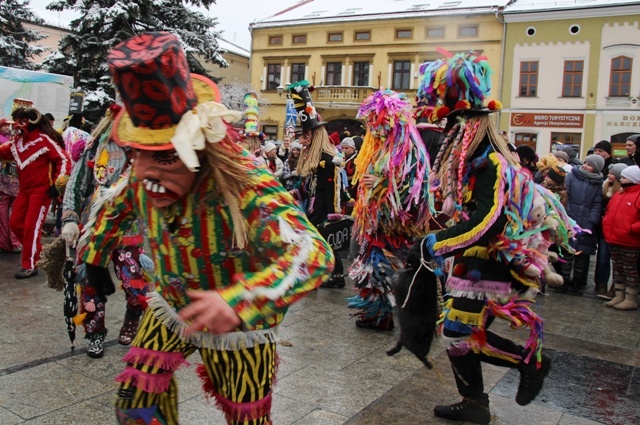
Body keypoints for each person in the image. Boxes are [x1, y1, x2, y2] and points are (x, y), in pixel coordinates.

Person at [78, 32, 334, 425]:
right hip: (172, 306)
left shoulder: (245, 184)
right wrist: (93, 260)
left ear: (199, 145)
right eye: (138, 155)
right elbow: (111, 204)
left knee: (246, 418)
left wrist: (239, 301)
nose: (145, 173)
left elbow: (312, 254)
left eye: (165, 157)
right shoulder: (143, 177)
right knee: (136, 405)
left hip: (240, 324)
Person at [419, 50, 573, 424]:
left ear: (466, 122)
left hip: (489, 265)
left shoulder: (488, 160)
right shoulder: (476, 158)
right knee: (458, 333)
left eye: (452, 124)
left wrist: (437, 243)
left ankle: (529, 362)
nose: (448, 131)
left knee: (457, 333)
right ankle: (473, 402)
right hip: (476, 263)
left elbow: (486, 221)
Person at [60, 104, 152, 358]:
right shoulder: (95, 147)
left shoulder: (147, 150)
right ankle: (95, 333)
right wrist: (70, 218)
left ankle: (132, 319)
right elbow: (76, 185)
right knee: (91, 287)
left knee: (136, 287)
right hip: (95, 228)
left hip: (129, 228)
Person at [347, 89, 432, 331]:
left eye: (377, 119)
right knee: (373, 268)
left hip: (392, 223)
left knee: (384, 268)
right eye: (371, 119)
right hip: (374, 222)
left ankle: (382, 316)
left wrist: (382, 184)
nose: (373, 126)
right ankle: (376, 312)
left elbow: (416, 186)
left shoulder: (408, 148)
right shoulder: (379, 147)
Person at [287, 80, 345, 288]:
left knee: (326, 239)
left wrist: (333, 214)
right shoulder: (311, 159)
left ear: (315, 136)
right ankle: (318, 272)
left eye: (305, 136)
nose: (302, 141)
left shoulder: (328, 160)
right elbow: (310, 184)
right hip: (313, 205)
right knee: (314, 240)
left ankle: (336, 275)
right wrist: (298, 191)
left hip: (324, 207)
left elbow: (333, 189)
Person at [0, 106, 70, 278]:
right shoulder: (17, 142)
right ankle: (37, 252)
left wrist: (57, 184)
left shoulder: (44, 140)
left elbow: (63, 159)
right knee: (15, 223)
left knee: (32, 227)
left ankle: (30, 264)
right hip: (24, 191)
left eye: (21, 121)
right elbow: (3, 151)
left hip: (41, 192)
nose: (16, 125)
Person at [561, 154, 605, 295]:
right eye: (585, 162)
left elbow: (597, 203)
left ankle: (577, 282)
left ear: (596, 168)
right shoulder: (572, 176)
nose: (585, 166)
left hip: (586, 222)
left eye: (590, 164)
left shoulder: (597, 183)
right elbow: (565, 195)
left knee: (582, 254)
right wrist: (566, 215)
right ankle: (564, 280)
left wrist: (592, 220)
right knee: (567, 252)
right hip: (570, 218)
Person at [602, 165, 640, 310]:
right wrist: (606, 224)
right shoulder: (619, 194)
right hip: (614, 237)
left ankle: (630, 298)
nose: (621, 179)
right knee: (617, 268)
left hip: (630, 240)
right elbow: (609, 212)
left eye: (624, 177)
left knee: (629, 268)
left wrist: (633, 229)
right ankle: (619, 294)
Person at [597, 163, 629, 300]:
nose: (609, 175)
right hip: (605, 228)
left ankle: (615, 288)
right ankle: (601, 284)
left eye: (612, 173)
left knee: (617, 261)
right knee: (603, 258)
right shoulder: (604, 187)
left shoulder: (622, 192)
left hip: (620, 230)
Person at [0, 118, 21, 253]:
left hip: (17, 180)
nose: (8, 127)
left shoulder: (16, 139)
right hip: (4, 180)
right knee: (3, 213)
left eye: (10, 125)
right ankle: (4, 242)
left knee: (15, 213)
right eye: (5, 125)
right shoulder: (5, 142)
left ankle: (14, 242)